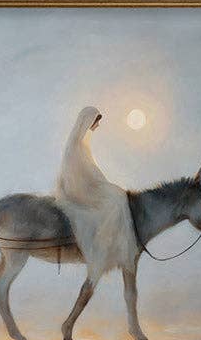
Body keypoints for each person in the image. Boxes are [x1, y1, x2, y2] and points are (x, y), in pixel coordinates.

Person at [55, 106, 139, 283]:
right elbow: (78, 174)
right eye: (96, 121)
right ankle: (104, 243)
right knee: (116, 199)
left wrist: (103, 183)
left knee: (118, 195)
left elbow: (92, 170)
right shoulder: (75, 146)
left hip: (88, 185)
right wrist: (102, 184)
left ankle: (114, 242)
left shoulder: (82, 144)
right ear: (88, 122)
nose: (98, 125)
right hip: (78, 189)